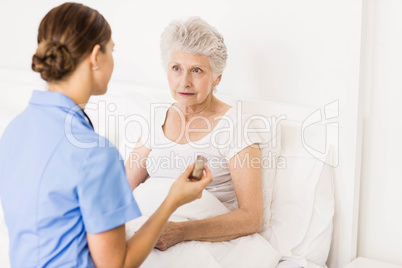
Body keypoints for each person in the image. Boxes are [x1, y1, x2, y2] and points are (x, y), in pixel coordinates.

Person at [0, 3, 211, 267]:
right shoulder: (95, 153)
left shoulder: (14, 130)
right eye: (112, 51)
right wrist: (173, 200)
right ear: (95, 56)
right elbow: (116, 265)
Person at [125, 17, 264, 251]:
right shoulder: (158, 116)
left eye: (197, 70)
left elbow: (252, 218)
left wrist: (181, 233)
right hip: (146, 228)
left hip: (200, 240)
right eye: (176, 68)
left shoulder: (236, 127)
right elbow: (122, 190)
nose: (184, 82)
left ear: (217, 78)